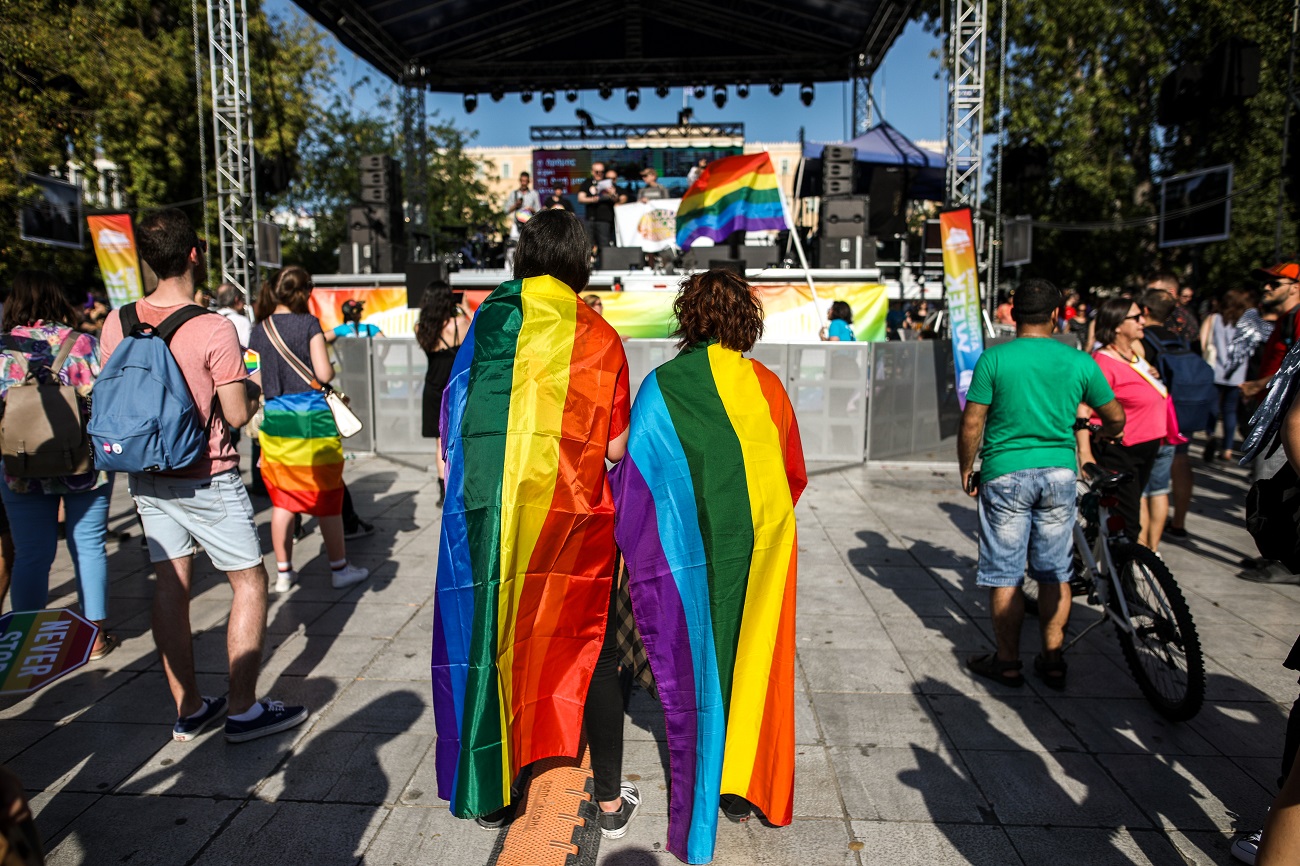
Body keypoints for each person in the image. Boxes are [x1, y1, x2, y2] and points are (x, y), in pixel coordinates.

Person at [431, 209, 637, 838]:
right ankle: (606, 801)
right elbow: (614, 450)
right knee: (582, 636)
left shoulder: (487, 320)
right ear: (582, 260)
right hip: (563, 511)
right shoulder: (596, 334)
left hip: (484, 507)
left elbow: (455, 414)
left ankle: (490, 791)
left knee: (486, 630)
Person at [609, 269, 806, 863]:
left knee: (699, 656)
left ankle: (704, 769)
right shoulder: (767, 384)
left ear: (687, 318)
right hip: (765, 540)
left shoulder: (663, 386)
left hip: (689, 547)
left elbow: (636, 477)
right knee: (753, 656)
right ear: (746, 319)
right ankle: (743, 790)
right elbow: (794, 470)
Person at [100, 208, 306, 743]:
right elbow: (236, 415)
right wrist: (253, 387)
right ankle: (242, 710)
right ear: (195, 254)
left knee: (171, 583)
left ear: (147, 259)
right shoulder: (212, 326)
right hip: (205, 475)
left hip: (144, 473)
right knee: (249, 580)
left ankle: (189, 707)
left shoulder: (116, 321)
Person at [959, 279, 1123, 689]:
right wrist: (1103, 434)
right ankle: (1052, 659)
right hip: (1058, 474)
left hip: (1004, 473)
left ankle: (1008, 662)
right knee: (1054, 572)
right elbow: (1115, 414)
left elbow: (973, 421)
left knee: (1005, 575)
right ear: (1056, 316)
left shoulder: (993, 359)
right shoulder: (1080, 361)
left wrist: (966, 466)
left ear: (1014, 315)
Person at [0, 270, 115, 660]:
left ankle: (27, 641)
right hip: (84, 464)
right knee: (89, 547)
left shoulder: (2, 349)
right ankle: (95, 638)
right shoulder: (85, 343)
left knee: (32, 554)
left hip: (21, 467)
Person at [247, 266, 369, 594]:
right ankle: (339, 569)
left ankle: (284, 573)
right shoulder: (308, 324)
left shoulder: (259, 328)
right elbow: (324, 373)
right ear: (304, 293)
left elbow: (253, 377)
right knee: (327, 495)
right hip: (313, 420)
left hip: (276, 421)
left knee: (283, 500)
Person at [1077, 297, 1170, 542]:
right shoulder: (1102, 362)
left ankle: (1105, 564)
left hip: (1146, 446)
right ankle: (1122, 574)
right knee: (1127, 524)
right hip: (1119, 450)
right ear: (1117, 325)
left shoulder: (1133, 354)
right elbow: (1083, 408)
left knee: (1123, 515)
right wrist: (1085, 453)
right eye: (1136, 317)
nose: (1143, 321)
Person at [414, 279, 469, 507]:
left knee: (439, 442)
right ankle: (459, 486)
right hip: (455, 387)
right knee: (459, 437)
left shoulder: (421, 327)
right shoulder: (459, 323)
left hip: (432, 388)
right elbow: (471, 335)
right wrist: (463, 306)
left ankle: (442, 490)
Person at [1200, 287, 1270, 464]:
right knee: (1230, 410)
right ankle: (1228, 448)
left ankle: (1210, 435)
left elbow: (1203, 342)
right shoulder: (1249, 323)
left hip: (1214, 371)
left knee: (1213, 408)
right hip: (1238, 375)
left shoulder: (1214, 318)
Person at [1149, 271, 1200, 352]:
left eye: (1155, 292)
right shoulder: (1185, 314)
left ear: (1171, 292)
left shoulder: (1172, 317)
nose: (1149, 297)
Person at [578, 160, 615, 265]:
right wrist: (594, 199)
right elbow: (580, 198)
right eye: (597, 172)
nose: (599, 174)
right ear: (592, 172)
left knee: (604, 245)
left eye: (601, 172)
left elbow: (617, 199)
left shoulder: (608, 183)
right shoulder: (587, 183)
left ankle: (606, 265)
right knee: (588, 244)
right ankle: (588, 267)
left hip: (605, 219)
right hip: (590, 218)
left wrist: (612, 193)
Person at [504, 171, 542, 271]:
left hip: (529, 224)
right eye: (522, 181)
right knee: (512, 246)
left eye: (526, 181)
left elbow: (539, 210)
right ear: (520, 181)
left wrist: (531, 209)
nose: (524, 183)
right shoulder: (514, 194)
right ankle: (510, 268)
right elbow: (506, 210)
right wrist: (515, 205)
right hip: (517, 224)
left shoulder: (534, 194)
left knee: (529, 246)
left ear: (528, 181)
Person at [215, 283, 252, 349]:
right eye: (242, 298)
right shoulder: (242, 322)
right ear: (237, 299)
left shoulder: (210, 319)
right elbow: (248, 348)